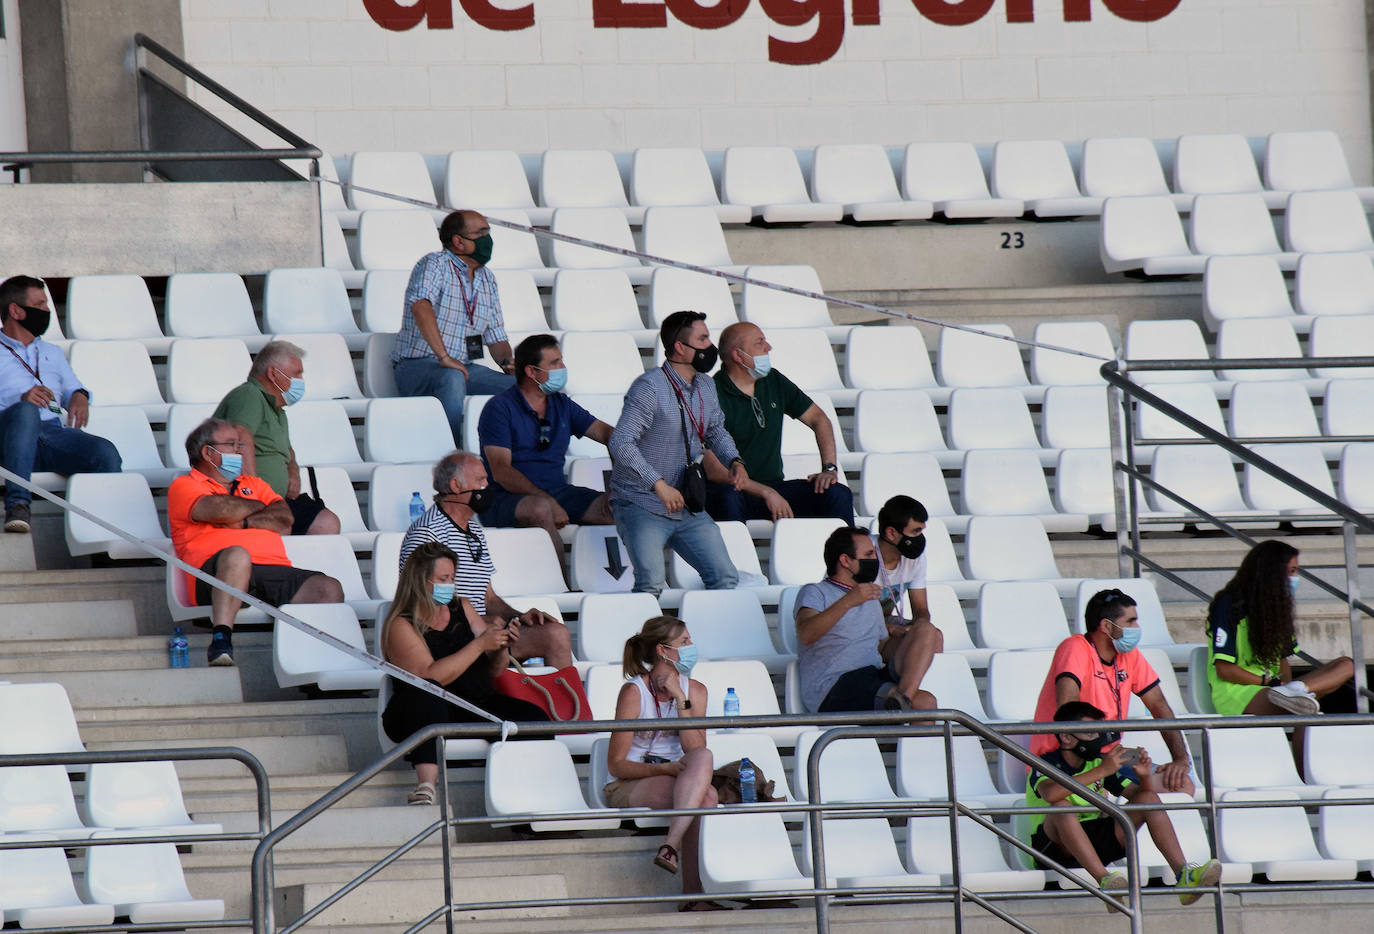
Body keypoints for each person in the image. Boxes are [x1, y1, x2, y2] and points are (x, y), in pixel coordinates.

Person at [381, 541, 550, 805]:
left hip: (472, 701)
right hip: (417, 708)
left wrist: (500, 645)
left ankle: (527, 798)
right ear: (420, 582)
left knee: (533, 718)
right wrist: (480, 644)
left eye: (452, 577)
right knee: (429, 701)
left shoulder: (463, 607)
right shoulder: (401, 623)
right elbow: (430, 676)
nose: (450, 584)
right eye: (443, 578)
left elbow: (494, 670)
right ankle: (426, 784)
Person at [167, 418, 343, 666]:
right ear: (208, 452)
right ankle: (221, 639)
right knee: (237, 554)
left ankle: (315, 666)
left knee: (328, 588)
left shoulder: (254, 484)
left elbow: (284, 519)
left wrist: (244, 521)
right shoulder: (184, 485)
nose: (239, 451)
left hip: (272, 569)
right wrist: (261, 507)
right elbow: (216, 509)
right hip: (211, 575)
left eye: (240, 445)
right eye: (231, 444)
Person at [1025, 701, 1221, 904]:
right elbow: (1051, 794)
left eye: (1098, 732)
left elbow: (1141, 799)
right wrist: (1102, 771)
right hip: (1055, 850)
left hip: (1095, 840)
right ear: (1066, 737)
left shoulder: (1098, 762)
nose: (1097, 739)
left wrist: (1144, 777)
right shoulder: (1046, 762)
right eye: (1090, 733)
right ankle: (1105, 882)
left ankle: (1184, 876)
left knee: (1148, 798)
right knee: (1062, 807)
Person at [607, 310, 745, 596]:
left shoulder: (706, 384)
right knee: (651, 585)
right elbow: (620, 442)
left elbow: (716, 430)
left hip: (685, 501)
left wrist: (734, 460)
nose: (711, 346)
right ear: (680, 348)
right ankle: (641, 641)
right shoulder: (649, 387)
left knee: (725, 578)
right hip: (641, 502)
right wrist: (658, 485)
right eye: (703, 339)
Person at [399, 451, 573, 669]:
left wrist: (520, 617)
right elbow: (421, 602)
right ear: (456, 486)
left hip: (481, 631)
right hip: (446, 639)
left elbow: (488, 599)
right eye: (481, 480)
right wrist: (475, 623)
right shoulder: (428, 532)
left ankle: (569, 702)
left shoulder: (473, 530)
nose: (487, 486)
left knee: (554, 632)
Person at [605, 615, 722, 911]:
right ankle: (693, 895)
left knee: (704, 761)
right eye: (684, 642)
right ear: (662, 650)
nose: (691, 647)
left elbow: (695, 749)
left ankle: (671, 845)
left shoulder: (696, 691)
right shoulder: (634, 692)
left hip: (680, 777)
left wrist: (680, 697)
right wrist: (663, 768)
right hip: (631, 783)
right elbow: (616, 765)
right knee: (705, 798)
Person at [1030, 589, 1195, 796]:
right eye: (1131, 621)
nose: (1137, 628)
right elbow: (1068, 708)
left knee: (1182, 784)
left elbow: (1158, 704)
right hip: (1068, 758)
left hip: (1109, 755)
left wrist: (1180, 759)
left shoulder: (1130, 655)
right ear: (1107, 626)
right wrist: (1105, 764)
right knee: (1138, 794)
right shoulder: (1075, 647)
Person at [477, 334, 614, 561]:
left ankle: (623, 589)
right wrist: (549, 502)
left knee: (618, 509)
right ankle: (562, 589)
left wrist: (618, 488)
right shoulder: (499, 408)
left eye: (561, 360)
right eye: (555, 363)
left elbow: (610, 435)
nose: (563, 368)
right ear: (531, 372)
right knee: (540, 509)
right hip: (504, 498)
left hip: (559, 492)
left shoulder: (562, 403)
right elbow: (501, 471)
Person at [0, 275, 121, 533]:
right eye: (41, 304)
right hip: (8, 435)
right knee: (25, 411)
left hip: (52, 435)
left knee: (104, 452)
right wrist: (19, 401)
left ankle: (104, 537)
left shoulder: (52, 352)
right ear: (16, 310)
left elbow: (73, 387)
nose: (46, 311)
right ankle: (18, 505)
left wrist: (79, 396)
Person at [703, 322, 852, 524]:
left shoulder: (773, 380)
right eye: (759, 343)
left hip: (775, 486)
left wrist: (830, 469)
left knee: (837, 493)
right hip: (734, 489)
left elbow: (819, 419)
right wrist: (766, 492)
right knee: (727, 498)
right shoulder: (710, 393)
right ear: (738, 356)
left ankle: (846, 555)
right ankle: (736, 554)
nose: (768, 347)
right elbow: (714, 470)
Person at [392, 209, 516, 446]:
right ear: (458, 241)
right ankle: (452, 454)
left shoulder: (487, 278)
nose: (488, 239)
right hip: (416, 367)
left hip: (465, 368)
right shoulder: (434, 263)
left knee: (522, 388)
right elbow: (420, 305)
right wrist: (444, 356)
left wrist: (508, 363)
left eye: (488, 232)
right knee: (451, 376)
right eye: (481, 233)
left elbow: (496, 335)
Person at [795, 525, 941, 713]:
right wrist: (849, 600)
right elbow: (806, 634)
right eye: (870, 554)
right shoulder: (815, 592)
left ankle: (901, 698)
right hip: (834, 684)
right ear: (845, 560)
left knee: (926, 631)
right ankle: (898, 705)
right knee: (920, 703)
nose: (876, 560)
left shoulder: (870, 597)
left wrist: (909, 639)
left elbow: (881, 648)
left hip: (871, 676)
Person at [1207, 540, 1354, 717]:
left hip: (1277, 690)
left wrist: (1287, 686)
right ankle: (1295, 694)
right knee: (1305, 709)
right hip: (1239, 693)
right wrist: (1269, 683)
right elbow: (1225, 670)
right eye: (1290, 572)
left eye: (1295, 571)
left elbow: (1283, 661)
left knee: (1346, 665)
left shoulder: (1278, 608)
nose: (1294, 578)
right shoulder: (1228, 605)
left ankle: (1298, 690)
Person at [211, 340, 340, 536]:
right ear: (273, 374)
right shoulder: (249, 395)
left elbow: (288, 451)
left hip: (276, 499)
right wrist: (252, 494)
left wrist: (293, 470)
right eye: (297, 373)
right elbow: (239, 439)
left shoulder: (277, 410)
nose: (301, 380)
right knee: (280, 523)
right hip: (248, 500)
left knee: (326, 523)